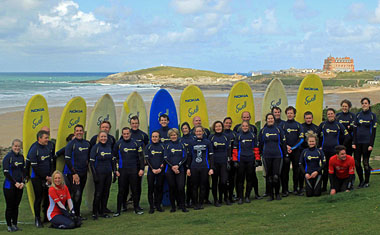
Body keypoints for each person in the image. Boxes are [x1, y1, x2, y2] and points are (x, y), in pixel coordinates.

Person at [113, 127, 144, 216]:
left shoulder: (136, 143)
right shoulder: (118, 144)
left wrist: (141, 169)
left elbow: (141, 157)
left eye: (127, 134)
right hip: (122, 171)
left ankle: (136, 208)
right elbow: (114, 158)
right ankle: (119, 210)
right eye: (124, 134)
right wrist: (115, 170)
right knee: (122, 191)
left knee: (135, 190)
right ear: (122, 134)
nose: (126, 135)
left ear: (130, 134)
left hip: (134, 171)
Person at [317, 108, 348, 192]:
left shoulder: (338, 125)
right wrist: (319, 146)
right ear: (326, 116)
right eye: (328, 114)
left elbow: (347, 136)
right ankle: (324, 187)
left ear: (334, 115)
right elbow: (317, 135)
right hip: (325, 150)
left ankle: (333, 186)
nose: (330, 115)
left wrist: (342, 147)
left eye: (331, 114)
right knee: (325, 169)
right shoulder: (323, 124)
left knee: (334, 170)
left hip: (334, 152)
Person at [63, 124, 90, 219]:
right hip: (74, 174)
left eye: (80, 130)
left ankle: (78, 214)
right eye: (77, 131)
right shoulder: (71, 144)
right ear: (74, 132)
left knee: (80, 193)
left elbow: (88, 158)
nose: (79, 132)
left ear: (83, 132)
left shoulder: (87, 144)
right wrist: (74, 173)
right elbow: (67, 160)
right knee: (76, 193)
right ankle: (73, 213)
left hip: (83, 173)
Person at [28, 130, 54, 228]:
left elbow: (51, 162)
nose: (47, 139)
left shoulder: (47, 147)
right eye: (46, 138)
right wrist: (45, 177)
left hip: (48, 177)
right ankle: (37, 219)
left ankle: (46, 217)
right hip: (37, 178)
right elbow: (35, 167)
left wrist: (50, 175)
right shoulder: (34, 149)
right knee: (38, 199)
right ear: (40, 138)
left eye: (48, 137)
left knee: (47, 198)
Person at [89, 120, 116, 214]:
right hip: (99, 173)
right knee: (98, 193)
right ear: (99, 137)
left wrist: (114, 172)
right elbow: (91, 161)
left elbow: (112, 159)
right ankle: (95, 212)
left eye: (105, 137)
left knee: (106, 192)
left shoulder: (109, 145)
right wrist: (94, 175)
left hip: (108, 173)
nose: (104, 138)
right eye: (102, 137)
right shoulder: (95, 146)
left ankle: (103, 209)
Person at [259, 113, 286, 201]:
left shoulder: (278, 130)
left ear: (274, 120)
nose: (270, 120)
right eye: (268, 118)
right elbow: (260, 144)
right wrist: (260, 155)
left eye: (272, 118)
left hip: (278, 155)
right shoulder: (263, 131)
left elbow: (283, 142)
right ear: (266, 120)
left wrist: (285, 154)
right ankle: (271, 195)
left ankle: (277, 194)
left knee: (276, 176)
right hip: (267, 156)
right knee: (269, 176)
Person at [232, 121, 261, 204]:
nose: (245, 127)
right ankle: (240, 197)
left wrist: (257, 160)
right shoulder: (238, 136)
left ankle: (247, 196)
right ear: (241, 127)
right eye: (243, 126)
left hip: (250, 160)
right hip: (241, 160)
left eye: (246, 126)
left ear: (249, 127)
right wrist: (235, 161)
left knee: (249, 179)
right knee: (240, 179)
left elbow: (256, 148)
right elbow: (235, 149)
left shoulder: (252, 135)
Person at [279, 106, 304, 196]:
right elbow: (280, 138)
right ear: (286, 114)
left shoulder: (298, 125)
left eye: (291, 113)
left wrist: (292, 148)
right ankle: (285, 190)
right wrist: (286, 147)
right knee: (285, 171)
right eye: (288, 113)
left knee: (296, 170)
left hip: (296, 151)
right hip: (286, 151)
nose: (290, 115)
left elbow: (301, 139)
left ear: (294, 114)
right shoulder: (282, 125)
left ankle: (295, 188)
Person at [352, 97, 377, 188]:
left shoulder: (372, 116)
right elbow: (354, 130)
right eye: (363, 103)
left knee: (365, 163)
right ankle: (361, 181)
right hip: (358, 142)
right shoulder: (358, 115)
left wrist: (371, 144)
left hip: (367, 143)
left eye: (366, 103)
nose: (364, 105)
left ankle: (366, 182)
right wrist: (353, 142)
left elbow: (373, 132)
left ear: (369, 105)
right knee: (357, 162)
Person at [187, 126, 214, 210]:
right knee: (194, 186)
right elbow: (189, 156)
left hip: (204, 167)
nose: (198, 133)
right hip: (194, 167)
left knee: (203, 186)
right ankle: (195, 203)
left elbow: (211, 156)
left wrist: (211, 168)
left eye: (200, 131)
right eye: (197, 131)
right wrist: (188, 168)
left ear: (203, 132)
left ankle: (201, 203)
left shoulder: (207, 142)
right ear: (194, 132)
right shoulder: (191, 143)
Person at [3, 139, 25, 232]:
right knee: (10, 206)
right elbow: (6, 173)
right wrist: (15, 182)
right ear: (12, 146)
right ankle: (9, 225)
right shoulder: (8, 157)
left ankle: (15, 224)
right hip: (9, 186)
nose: (17, 148)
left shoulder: (21, 157)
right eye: (15, 146)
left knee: (16, 206)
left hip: (19, 186)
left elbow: (23, 171)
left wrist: (23, 182)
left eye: (18, 146)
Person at [164, 128, 188, 213]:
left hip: (180, 169)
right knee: (172, 188)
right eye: (171, 135)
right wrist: (173, 167)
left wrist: (178, 165)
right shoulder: (167, 145)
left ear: (177, 135)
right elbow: (166, 157)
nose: (173, 136)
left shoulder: (182, 145)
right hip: (170, 170)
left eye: (174, 135)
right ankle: (173, 207)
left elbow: (184, 157)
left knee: (181, 187)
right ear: (169, 136)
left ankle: (183, 206)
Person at [128, 116, 149, 211]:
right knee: (128, 185)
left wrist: (146, 160)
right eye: (133, 123)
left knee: (137, 185)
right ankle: (127, 203)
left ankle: (137, 203)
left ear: (138, 124)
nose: (134, 125)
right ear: (130, 124)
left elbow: (148, 148)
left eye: (136, 123)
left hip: (139, 164)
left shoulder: (143, 135)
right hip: (128, 164)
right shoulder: (127, 134)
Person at [209, 121, 231, 206]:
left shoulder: (226, 137)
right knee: (214, 182)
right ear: (214, 128)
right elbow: (210, 151)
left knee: (224, 181)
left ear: (222, 127)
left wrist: (228, 160)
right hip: (214, 162)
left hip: (223, 162)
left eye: (220, 126)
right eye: (216, 126)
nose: (218, 128)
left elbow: (228, 150)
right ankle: (216, 200)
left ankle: (225, 198)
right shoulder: (211, 137)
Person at [145, 131, 166, 214]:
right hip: (151, 171)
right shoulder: (148, 147)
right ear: (151, 138)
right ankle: (151, 207)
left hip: (160, 171)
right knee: (151, 189)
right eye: (153, 136)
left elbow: (164, 159)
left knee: (159, 188)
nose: (154, 138)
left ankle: (158, 205)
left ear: (159, 138)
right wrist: (153, 169)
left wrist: (160, 168)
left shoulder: (163, 146)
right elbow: (147, 159)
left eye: (156, 136)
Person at [299, 132, 325, 197]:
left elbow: (324, 163)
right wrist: (305, 173)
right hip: (308, 174)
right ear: (307, 142)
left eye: (313, 141)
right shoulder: (304, 151)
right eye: (310, 141)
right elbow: (300, 164)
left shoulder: (319, 151)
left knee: (317, 194)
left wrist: (317, 172)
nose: (311, 143)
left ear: (316, 141)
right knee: (309, 195)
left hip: (317, 174)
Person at [180, 122, 195, 208]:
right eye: (183, 129)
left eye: (186, 128)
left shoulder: (193, 138)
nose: (185, 130)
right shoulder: (180, 140)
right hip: (182, 163)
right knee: (182, 184)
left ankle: (191, 200)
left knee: (191, 183)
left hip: (192, 163)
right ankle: (183, 201)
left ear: (189, 129)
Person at [223, 117, 237, 203]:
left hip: (233, 159)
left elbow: (236, 147)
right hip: (223, 160)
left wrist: (233, 158)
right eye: (226, 123)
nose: (228, 124)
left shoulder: (234, 134)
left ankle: (231, 195)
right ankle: (225, 196)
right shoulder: (221, 134)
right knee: (224, 179)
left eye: (229, 123)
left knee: (232, 179)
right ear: (223, 123)